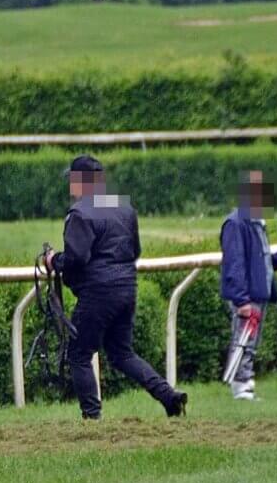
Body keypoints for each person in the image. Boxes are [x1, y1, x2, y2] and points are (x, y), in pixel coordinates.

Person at [45, 155, 187, 420]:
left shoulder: (79, 213)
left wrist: (54, 260)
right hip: (127, 288)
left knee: (79, 353)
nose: (69, 185)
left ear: (80, 181)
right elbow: (135, 250)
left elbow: (76, 259)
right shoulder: (123, 206)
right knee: (122, 353)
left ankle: (92, 417)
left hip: (98, 292)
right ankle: (169, 397)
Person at [220, 170, 277, 401]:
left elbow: (262, 262)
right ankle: (240, 387)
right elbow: (234, 264)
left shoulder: (257, 223)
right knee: (243, 341)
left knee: (251, 344)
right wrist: (241, 300)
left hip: (260, 294)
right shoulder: (235, 223)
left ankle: (246, 384)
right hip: (247, 297)